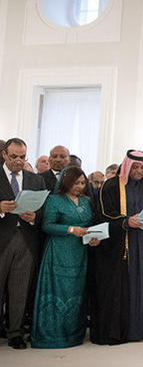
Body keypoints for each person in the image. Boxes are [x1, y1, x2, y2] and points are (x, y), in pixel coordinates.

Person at [92, 150, 143, 344]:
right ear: (127, 166)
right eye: (135, 167)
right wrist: (125, 221)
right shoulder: (112, 185)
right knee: (125, 286)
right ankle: (123, 331)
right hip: (121, 246)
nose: (139, 171)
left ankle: (142, 329)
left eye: (142, 168)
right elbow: (104, 214)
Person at [32, 167, 100, 348]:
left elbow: (90, 224)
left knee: (76, 290)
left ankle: (74, 335)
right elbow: (47, 226)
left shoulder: (86, 201)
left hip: (79, 251)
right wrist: (70, 229)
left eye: (82, 183)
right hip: (58, 251)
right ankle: (52, 335)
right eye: (76, 183)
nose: (79, 186)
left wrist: (93, 236)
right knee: (57, 290)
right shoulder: (54, 200)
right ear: (65, 182)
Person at [1, 138, 47, 349]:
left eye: (22, 157)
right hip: (3, 237)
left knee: (19, 289)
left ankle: (16, 333)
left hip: (26, 239)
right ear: (4, 155)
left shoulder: (35, 180)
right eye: (14, 157)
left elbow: (44, 210)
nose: (18, 161)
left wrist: (34, 216)